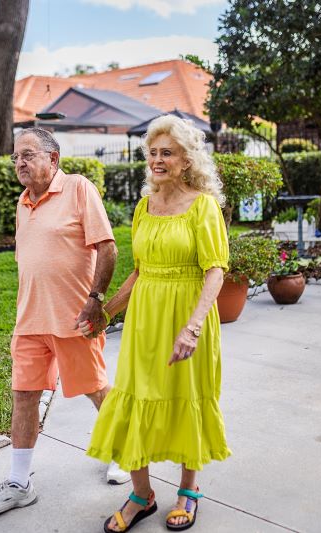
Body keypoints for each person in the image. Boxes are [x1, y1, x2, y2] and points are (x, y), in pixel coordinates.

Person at [82, 115, 231, 532]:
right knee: (134, 397)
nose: (158, 160)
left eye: (167, 153)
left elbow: (215, 271)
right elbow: (140, 271)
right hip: (146, 321)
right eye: (153, 153)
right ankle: (141, 495)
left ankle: (188, 490)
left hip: (188, 316)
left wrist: (193, 327)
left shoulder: (203, 206)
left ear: (186, 160)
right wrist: (106, 312)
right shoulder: (144, 207)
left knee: (188, 396)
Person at [0, 127, 130, 515]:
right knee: (24, 395)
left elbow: (107, 249)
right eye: (15, 158)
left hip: (74, 318)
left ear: (53, 159)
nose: (19, 163)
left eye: (27, 155)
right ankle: (19, 482)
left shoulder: (78, 189)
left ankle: (125, 452)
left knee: (95, 388)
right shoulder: (22, 203)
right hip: (29, 321)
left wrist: (96, 301)